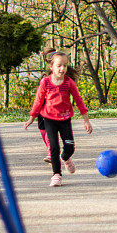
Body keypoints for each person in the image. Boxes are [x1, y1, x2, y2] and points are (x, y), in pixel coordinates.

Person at [24, 51, 92, 186]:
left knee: (70, 148)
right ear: (51, 67)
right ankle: (56, 175)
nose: (63, 69)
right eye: (59, 66)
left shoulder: (69, 83)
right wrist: (32, 117)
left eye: (65, 66)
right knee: (54, 148)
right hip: (49, 119)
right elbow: (38, 101)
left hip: (65, 119)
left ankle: (66, 158)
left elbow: (79, 101)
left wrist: (86, 120)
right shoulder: (45, 82)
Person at [37, 48, 80, 164]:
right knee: (42, 130)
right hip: (44, 109)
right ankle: (51, 151)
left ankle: (52, 153)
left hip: (57, 112)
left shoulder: (64, 77)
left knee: (54, 134)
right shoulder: (45, 77)